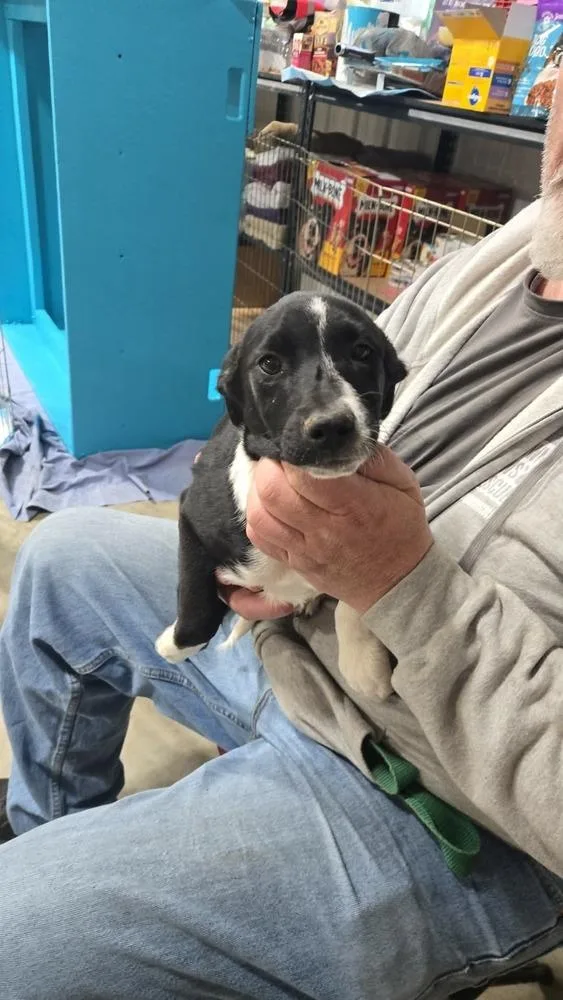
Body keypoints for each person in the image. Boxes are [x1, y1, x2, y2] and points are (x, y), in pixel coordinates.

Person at [2, 84, 563, 1000]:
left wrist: (398, 582)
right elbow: (304, 396)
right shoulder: (510, 254)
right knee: (60, 557)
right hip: (302, 647)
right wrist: (284, 558)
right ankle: (50, 828)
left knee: (12, 938)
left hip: (442, 799)